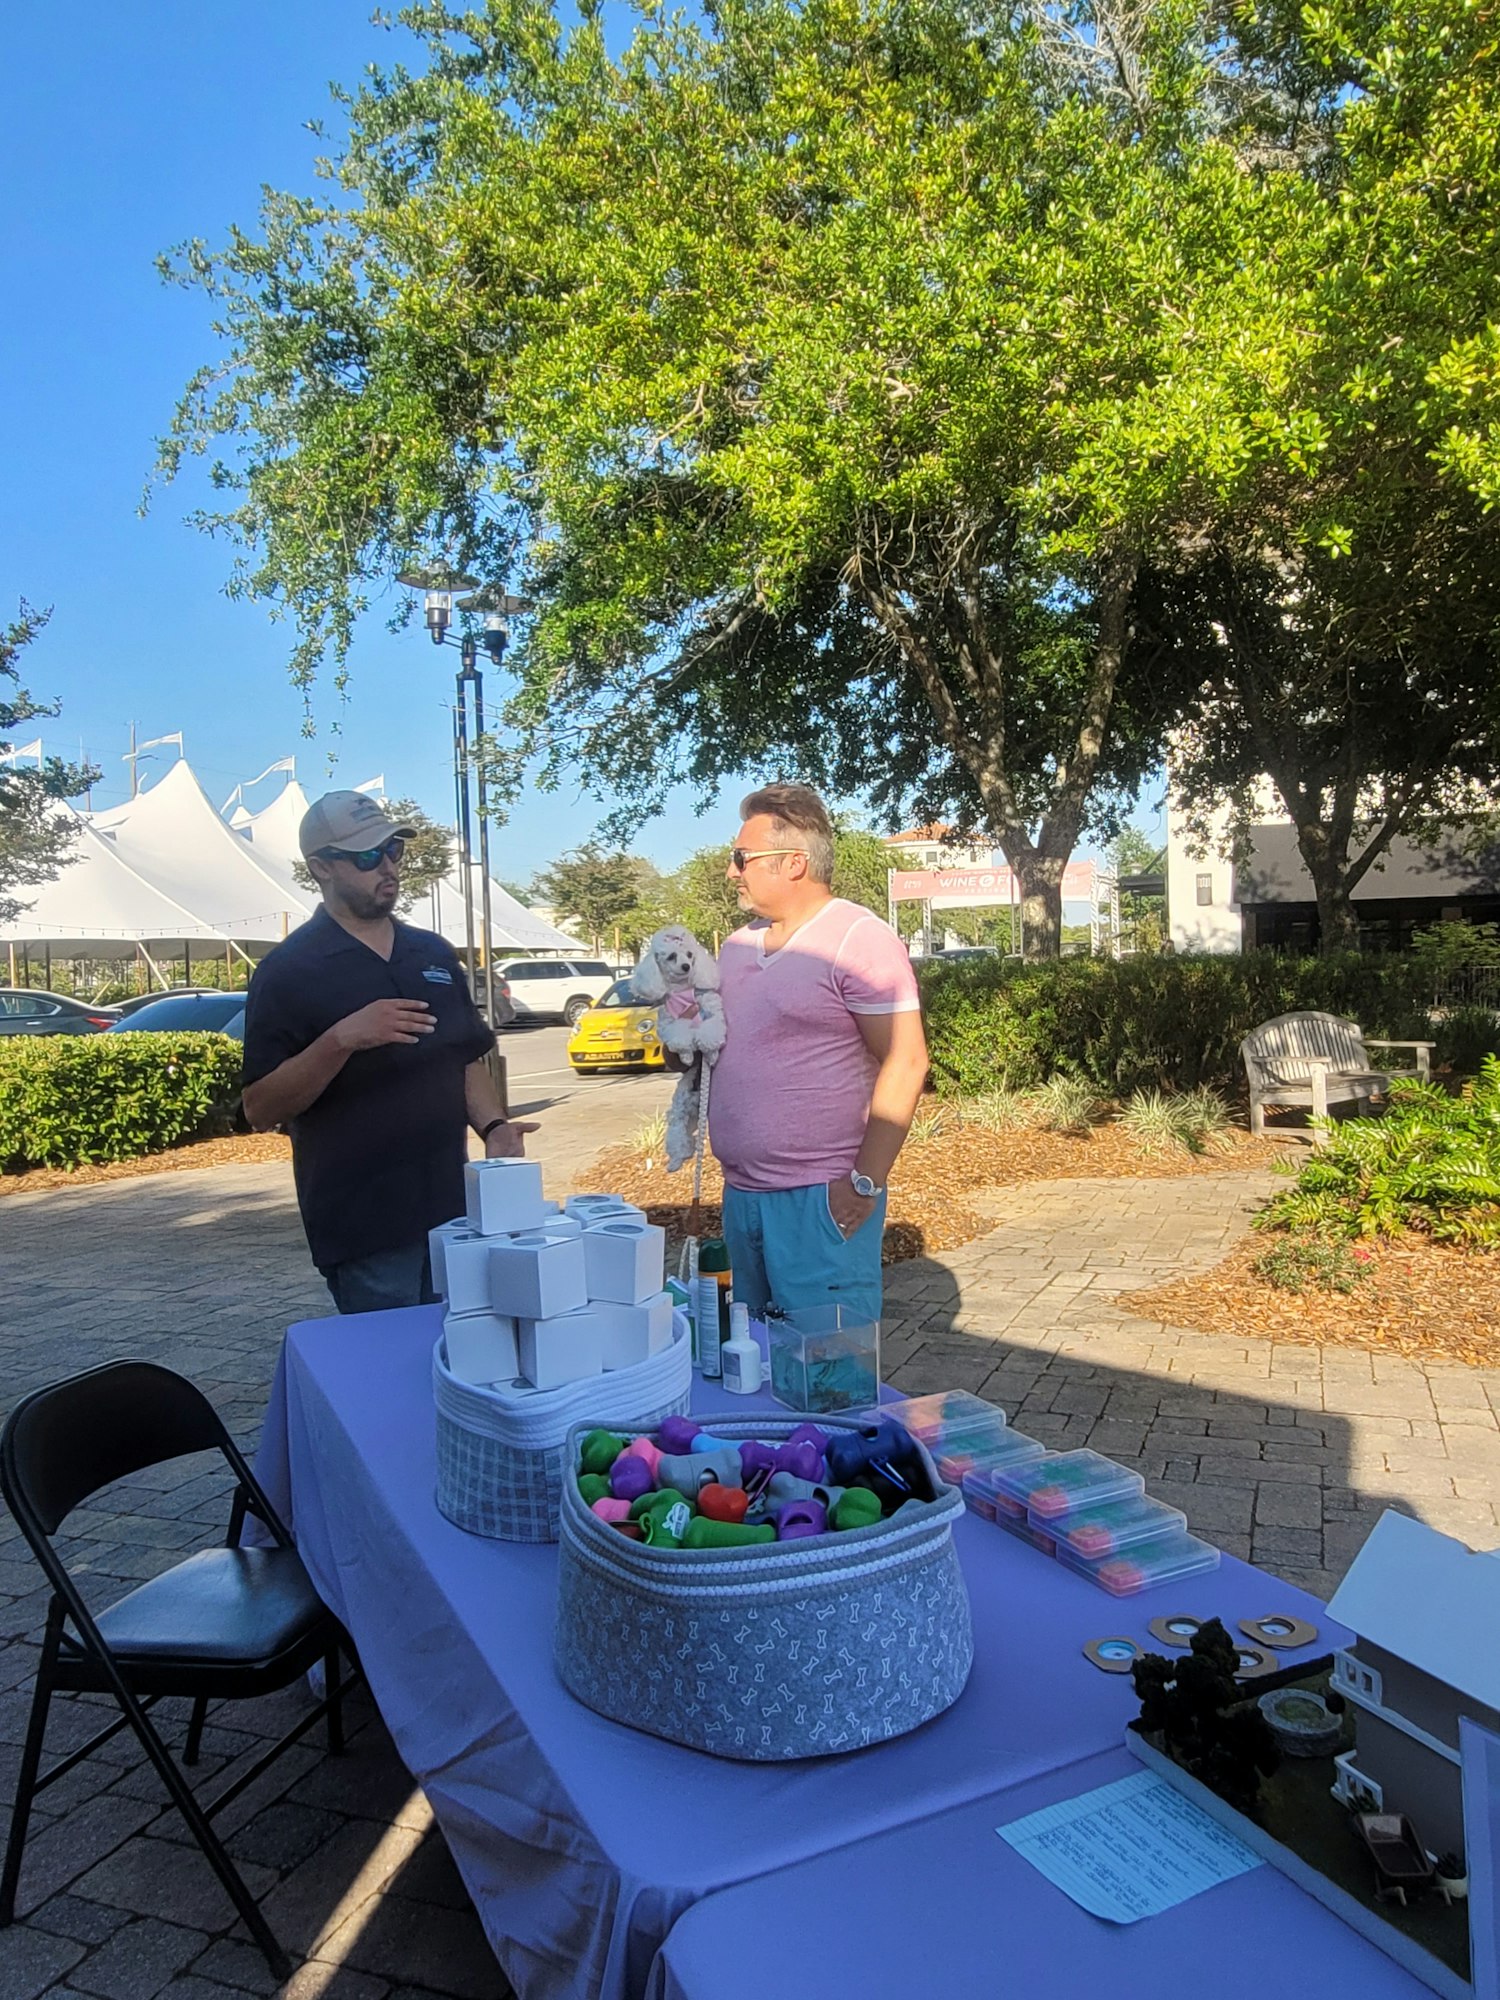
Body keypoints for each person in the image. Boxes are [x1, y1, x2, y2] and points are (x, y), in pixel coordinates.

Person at [241, 789, 535, 1314]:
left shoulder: (432, 952)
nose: (388, 867)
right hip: (365, 1230)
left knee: (464, 1364)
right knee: (394, 1375)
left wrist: (494, 1128)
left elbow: (463, 1056)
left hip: (455, 1216)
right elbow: (261, 1108)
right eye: (366, 856)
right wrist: (341, 1040)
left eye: (394, 850)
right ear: (321, 868)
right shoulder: (289, 971)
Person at [707, 783, 929, 1324]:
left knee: (829, 1382)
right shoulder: (736, 948)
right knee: (750, 1369)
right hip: (742, 1198)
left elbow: (907, 1060)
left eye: (742, 858)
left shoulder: (859, 939)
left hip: (822, 1201)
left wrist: (863, 1184)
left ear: (794, 863)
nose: (732, 871)